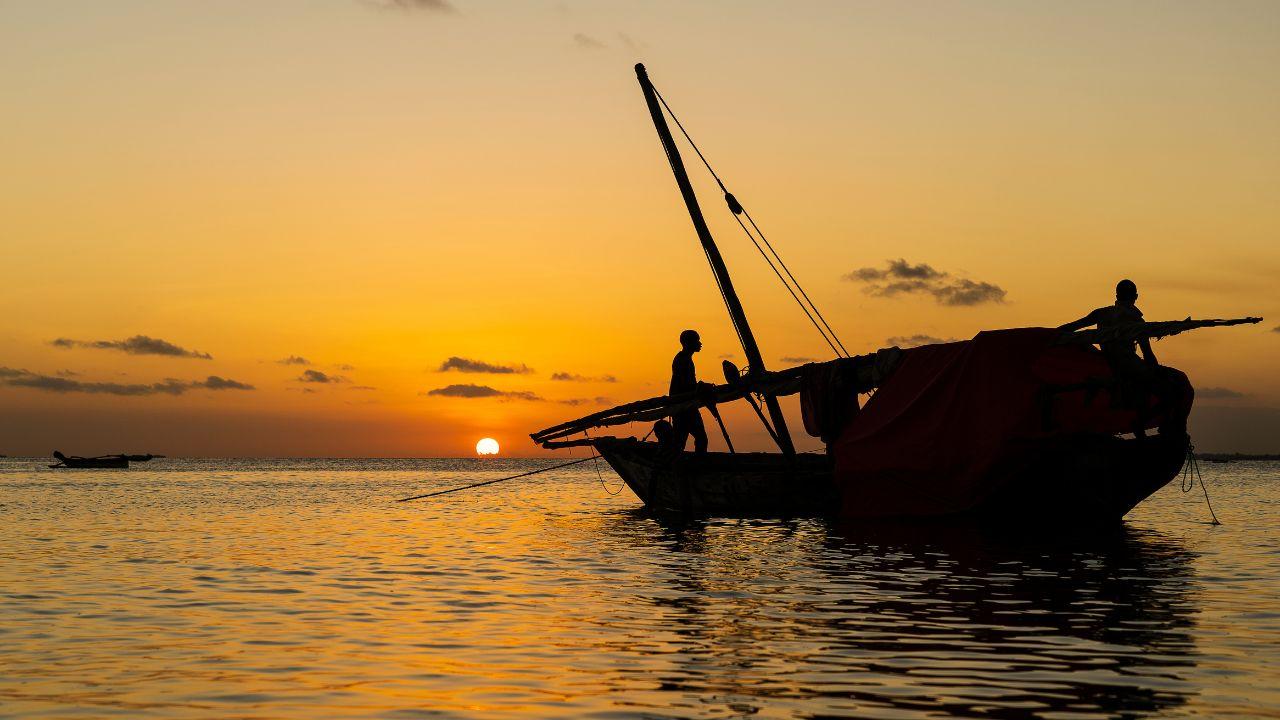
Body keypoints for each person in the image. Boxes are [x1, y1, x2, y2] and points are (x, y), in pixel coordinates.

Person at [1058, 279, 1163, 435]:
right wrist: (1156, 370)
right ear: (1136, 296)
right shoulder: (1137, 321)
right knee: (1164, 388)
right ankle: (1139, 424)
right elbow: (1147, 353)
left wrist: (1048, 335)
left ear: (1116, 295)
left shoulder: (1102, 313)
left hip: (1107, 361)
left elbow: (1069, 328)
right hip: (1129, 365)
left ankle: (1138, 425)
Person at [669, 329, 709, 454]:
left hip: (684, 405)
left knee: (680, 441)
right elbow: (685, 385)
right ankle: (698, 466)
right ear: (688, 342)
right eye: (697, 340)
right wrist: (700, 387)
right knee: (700, 438)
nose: (700, 343)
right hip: (684, 406)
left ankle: (686, 465)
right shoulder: (683, 360)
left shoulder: (685, 358)